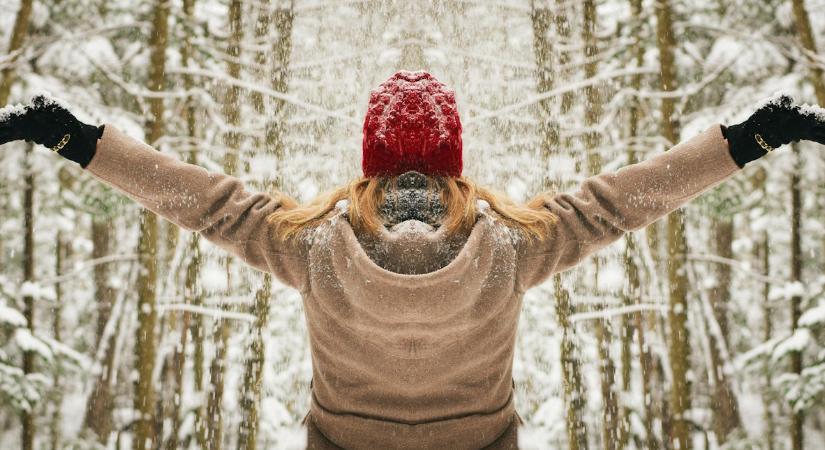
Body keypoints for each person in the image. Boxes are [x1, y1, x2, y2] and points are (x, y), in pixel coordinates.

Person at [1, 70, 824, 450]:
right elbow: (624, 199)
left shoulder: (313, 241)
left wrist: (73, 138)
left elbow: (200, 199)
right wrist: (751, 138)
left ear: (371, 164)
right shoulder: (510, 241)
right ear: (452, 164)